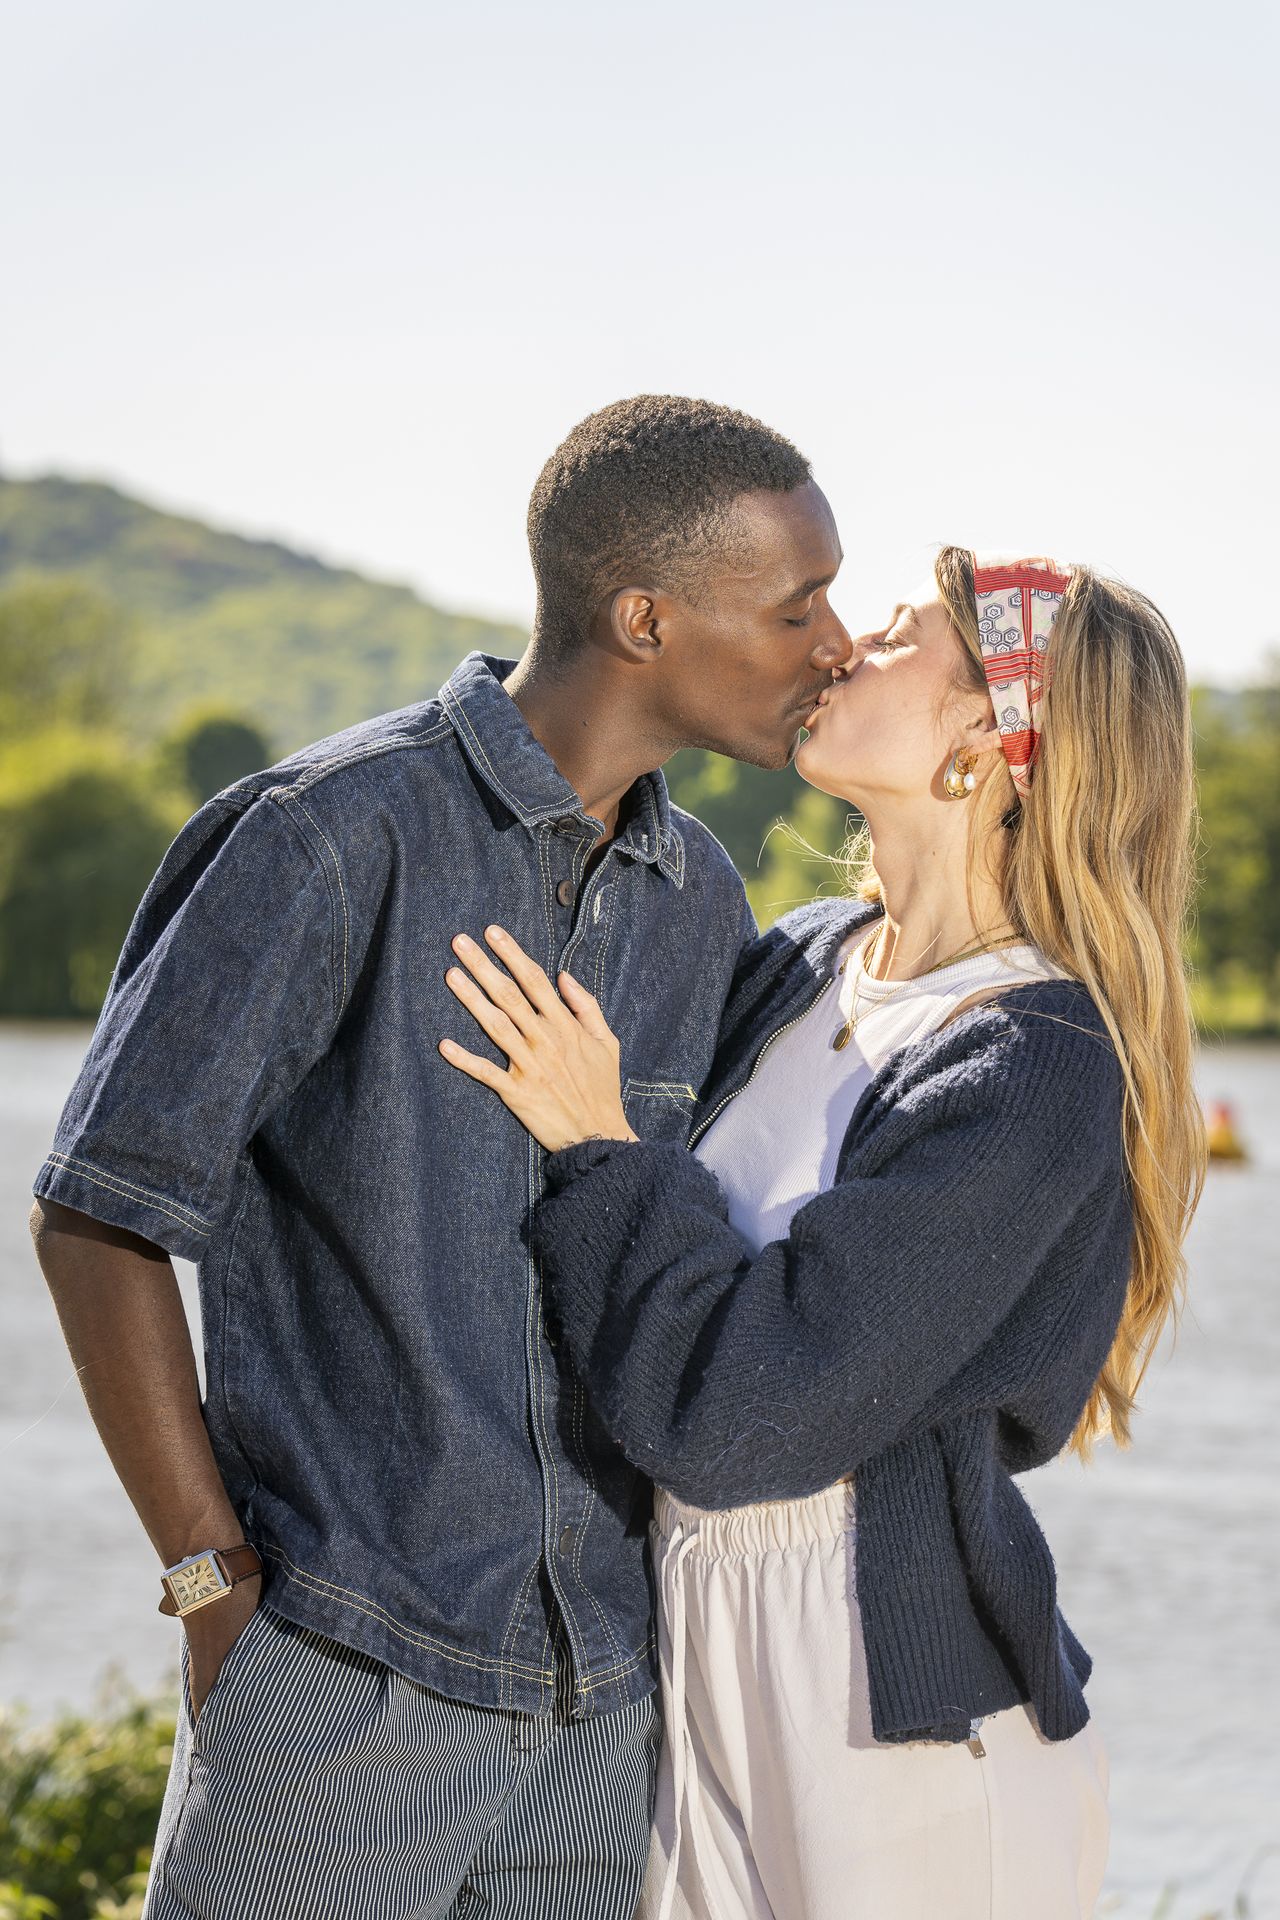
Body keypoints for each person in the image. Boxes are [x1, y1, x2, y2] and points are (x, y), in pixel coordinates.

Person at [25, 394, 854, 1920]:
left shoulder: (701, 899)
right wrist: (212, 1588)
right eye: (797, 605)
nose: (834, 642)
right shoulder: (329, 838)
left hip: (608, 1715)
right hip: (346, 1686)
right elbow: (97, 1219)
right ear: (647, 616)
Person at [437, 548, 1207, 1919]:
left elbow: (745, 1413)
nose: (847, 645)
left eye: (905, 636)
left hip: (896, 1725)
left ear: (987, 732)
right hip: (698, 1657)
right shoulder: (798, 960)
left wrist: (600, 1148)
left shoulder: (1033, 1060)